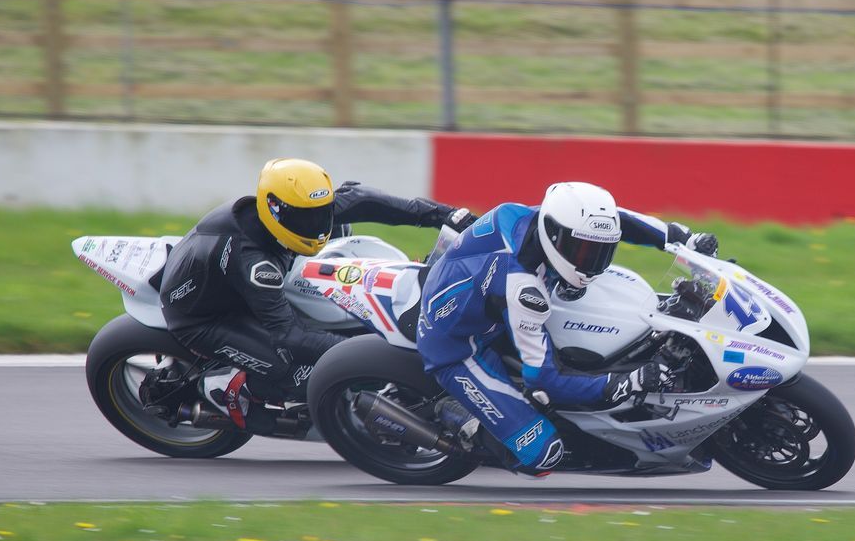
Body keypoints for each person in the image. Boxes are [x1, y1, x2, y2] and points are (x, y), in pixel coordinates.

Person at [415, 180, 718, 475]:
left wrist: (681, 237)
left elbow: (617, 221)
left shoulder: (541, 219)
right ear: (554, 235)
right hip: (460, 347)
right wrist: (628, 382)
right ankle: (457, 413)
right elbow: (544, 377)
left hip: (478, 294)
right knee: (540, 453)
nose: (591, 263)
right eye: (582, 252)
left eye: (600, 252)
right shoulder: (523, 290)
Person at [161, 157, 473, 428]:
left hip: (252, 279)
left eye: (322, 213)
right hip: (206, 317)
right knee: (299, 371)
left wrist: (445, 215)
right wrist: (374, 355)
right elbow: (289, 336)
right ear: (275, 209)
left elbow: (368, 201)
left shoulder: (302, 213)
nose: (317, 225)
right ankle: (227, 387)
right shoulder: (254, 262)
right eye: (305, 218)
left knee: (346, 243)